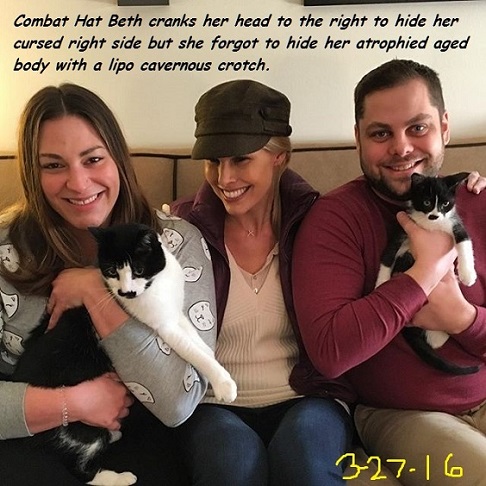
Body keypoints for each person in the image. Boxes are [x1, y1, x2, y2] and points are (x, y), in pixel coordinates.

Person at [0, 83, 216, 485]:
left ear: (118, 158)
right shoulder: (4, 248)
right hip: (29, 437)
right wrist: (74, 403)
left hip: (141, 436)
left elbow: (179, 403)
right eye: (54, 165)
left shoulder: (175, 244)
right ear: (32, 173)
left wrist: (96, 291)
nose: (79, 183)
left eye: (93, 159)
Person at [293, 59, 486, 486]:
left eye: (418, 127)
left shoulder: (478, 200)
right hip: (402, 414)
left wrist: (461, 318)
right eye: (381, 133)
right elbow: (331, 353)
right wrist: (424, 274)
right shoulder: (335, 218)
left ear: (444, 128)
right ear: (358, 139)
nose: (401, 148)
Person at [170, 79, 356, 485]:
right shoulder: (180, 230)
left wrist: (463, 187)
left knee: (306, 460)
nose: (224, 177)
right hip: (212, 403)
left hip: (310, 397)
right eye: (213, 161)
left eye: (240, 159)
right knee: (232, 463)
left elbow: (394, 207)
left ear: (280, 158)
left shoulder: (322, 223)